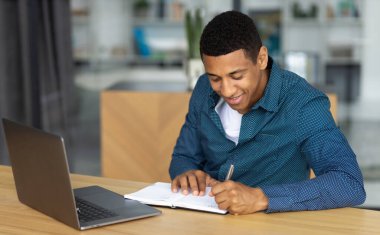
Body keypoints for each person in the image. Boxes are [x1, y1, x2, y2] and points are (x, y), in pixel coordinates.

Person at [169, 11, 366, 215]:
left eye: (236, 76)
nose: (226, 90)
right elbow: (184, 156)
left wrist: (261, 198)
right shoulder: (203, 89)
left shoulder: (303, 105)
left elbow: (348, 183)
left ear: (261, 59)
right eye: (215, 78)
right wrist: (187, 173)